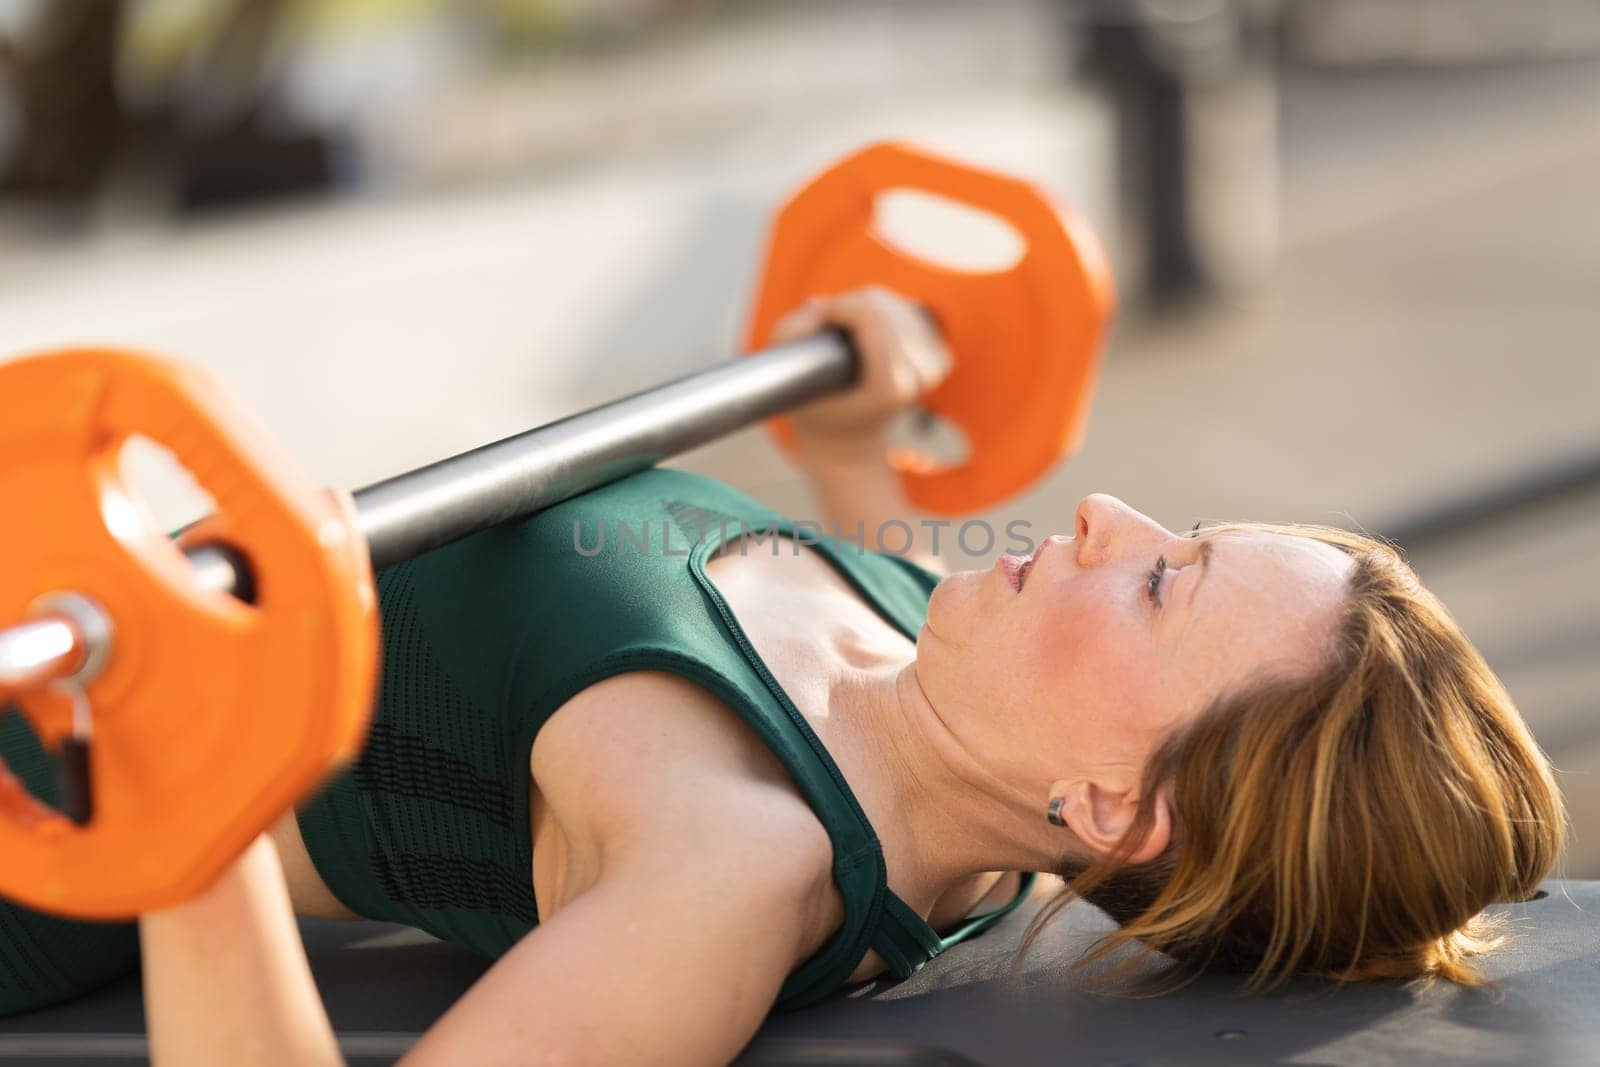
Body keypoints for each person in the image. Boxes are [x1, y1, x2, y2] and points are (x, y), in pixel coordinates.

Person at [0, 289, 1565, 1066]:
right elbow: (840, 633)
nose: (1106, 514)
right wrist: (849, 424)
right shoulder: (939, 682)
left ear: (1111, 808)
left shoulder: (732, 868)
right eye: (1186, 529)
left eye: (1166, 581)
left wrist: (168, 769)